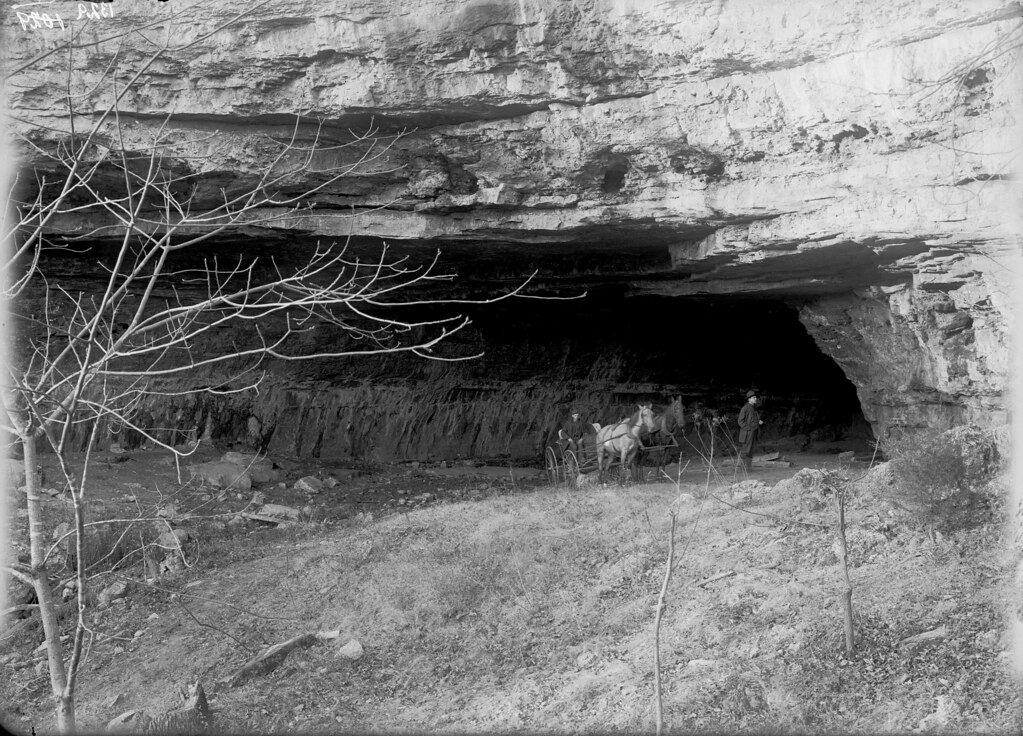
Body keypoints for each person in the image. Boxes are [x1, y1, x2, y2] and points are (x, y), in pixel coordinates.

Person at [737, 390, 764, 472]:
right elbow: (740, 421)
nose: (756, 399)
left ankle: (748, 469)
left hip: (752, 433)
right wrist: (749, 429)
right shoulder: (745, 408)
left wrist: (758, 421)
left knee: (750, 451)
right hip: (747, 433)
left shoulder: (753, 408)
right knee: (746, 450)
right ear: (749, 399)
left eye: (755, 397)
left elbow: (752, 419)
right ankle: (741, 468)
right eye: (754, 397)